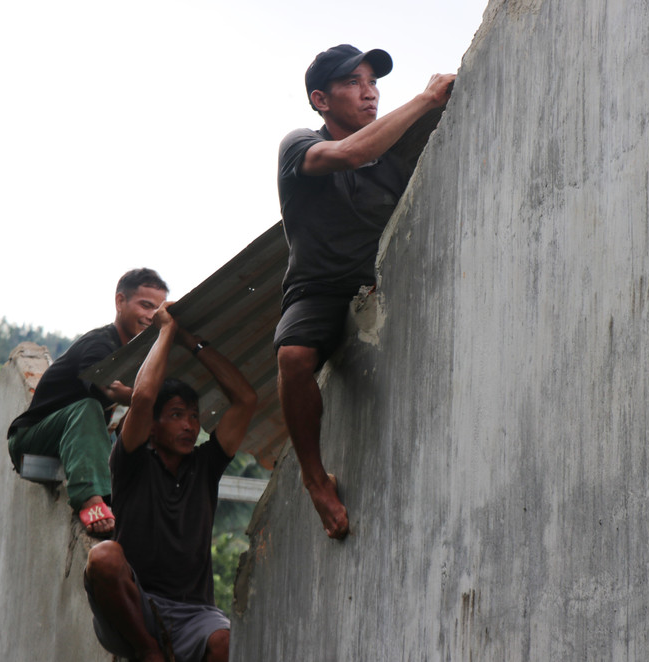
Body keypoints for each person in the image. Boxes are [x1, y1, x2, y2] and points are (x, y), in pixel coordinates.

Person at [274, 44, 456, 539]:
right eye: (353, 82)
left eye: (373, 82)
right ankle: (315, 480)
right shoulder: (300, 145)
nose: (369, 92)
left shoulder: (393, 162)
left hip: (379, 283)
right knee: (293, 355)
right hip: (317, 288)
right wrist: (426, 99)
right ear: (321, 99)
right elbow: (350, 153)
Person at [83, 302, 257, 662]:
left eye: (193, 416)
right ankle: (149, 652)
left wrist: (191, 341)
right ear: (152, 426)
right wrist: (166, 331)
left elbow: (246, 399)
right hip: (135, 607)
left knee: (226, 644)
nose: (189, 425)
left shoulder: (205, 465)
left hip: (194, 612)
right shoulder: (132, 462)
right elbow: (144, 397)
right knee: (104, 557)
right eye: (177, 415)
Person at [7, 268, 169, 537]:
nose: (151, 315)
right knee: (89, 407)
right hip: (32, 438)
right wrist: (148, 398)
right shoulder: (99, 344)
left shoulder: (140, 357)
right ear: (120, 302)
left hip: (78, 444)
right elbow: (110, 389)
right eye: (145, 305)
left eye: (158, 309)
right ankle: (90, 500)